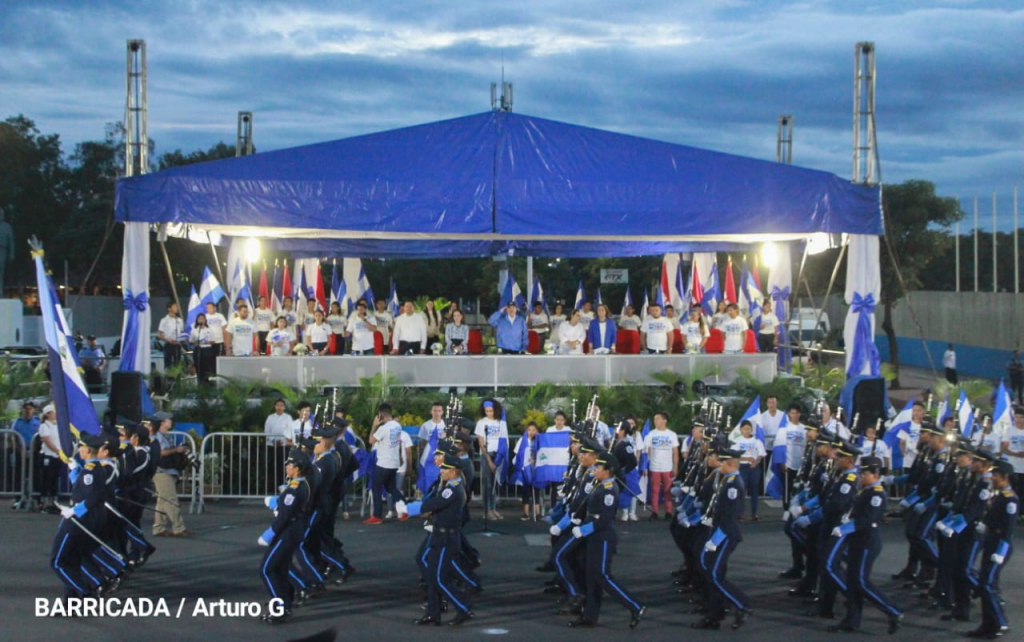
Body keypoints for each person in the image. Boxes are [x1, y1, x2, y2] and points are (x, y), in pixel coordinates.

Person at [567, 451, 646, 629]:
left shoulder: (609, 489)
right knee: (591, 577)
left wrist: (583, 530)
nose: (594, 469)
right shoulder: (600, 484)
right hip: (594, 536)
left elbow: (603, 519)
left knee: (603, 576)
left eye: (598, 467)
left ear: (608, 470)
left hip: (602, 537)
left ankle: (635, 606)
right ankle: (590, 616)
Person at [828, 456, 902, 634]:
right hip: (858, 540)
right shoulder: (866, 490)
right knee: (853, 582)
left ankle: (893, 610)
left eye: (865, 473)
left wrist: (845, 528)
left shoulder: (877, 493)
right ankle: (851, 620)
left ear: (875, 474)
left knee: (861, 582)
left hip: (867, 541)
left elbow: (868, 520)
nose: (862, 476)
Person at [408, 453, 476, 626]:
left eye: (445, 468)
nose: (442, 470)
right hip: (440, 534)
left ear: (453, 471)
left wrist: (410, 508)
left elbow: (435, 503)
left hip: (446, 537)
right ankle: (433, 612)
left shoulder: (453, 488)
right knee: (431, 575)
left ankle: (464, 607)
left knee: (439, 578)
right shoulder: (451, 485)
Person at [692, 447, 753, 631]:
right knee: (710, 572)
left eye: (723, 462)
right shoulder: (727, 480)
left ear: (731, 464)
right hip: (718, 530)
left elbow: (730, 517)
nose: (720, 465)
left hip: (725, 535)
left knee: (715, 576)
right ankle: (715, 613)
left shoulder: (733, 484)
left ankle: (742, 604)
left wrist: (715, 540)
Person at [50, 432, 110, 599]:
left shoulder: (91, 470)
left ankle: (86, 593)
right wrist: (74, 469)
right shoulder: (90, 468)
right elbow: (82, 487)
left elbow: (92, 497)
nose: (79, 449)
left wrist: (73, 511)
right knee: (72, 560)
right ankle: (71, 603)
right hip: (87, 518)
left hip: (80, 521)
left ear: (88, 450)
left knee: (58, 562)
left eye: (81, 446)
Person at [257, 447, 312, 623]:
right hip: (294, 529)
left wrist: (269, 534)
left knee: (267, 568)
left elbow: (284, 515)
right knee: (280, 567)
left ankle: (280, 608)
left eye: (290, 463)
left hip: (288, 531)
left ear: (297, 467)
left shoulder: (294, 488)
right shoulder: (299, 485)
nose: (287, 466)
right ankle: (284, 602)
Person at [970, 459, 1017, 638]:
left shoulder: (1010, 499)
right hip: (991, 540)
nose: (992, 478)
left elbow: (1009, 530)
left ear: (1004, 478)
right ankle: (987, 624)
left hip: (1000, 545)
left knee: (987, 585)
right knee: (985, 584)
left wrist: (1001, 551)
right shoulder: (1000, 495)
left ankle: (1000, 622)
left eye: (995, 476)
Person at [363, 403, 409, 524]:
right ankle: (404, 509)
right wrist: (399, 456)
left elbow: (371, 440)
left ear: (381, 414)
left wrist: (374, 426)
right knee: (391, 487)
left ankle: (377, 516)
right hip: (393, 462)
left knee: (376, 487)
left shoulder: (383, 428)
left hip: (384, 462)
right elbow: (398, 442)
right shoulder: (397, 426)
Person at [151, 412, 192, 537]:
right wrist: (177, 450)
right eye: (169, 419)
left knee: (163, 500)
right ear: (162, 422)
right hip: (161, 471)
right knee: (171, 499)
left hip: (166, 470)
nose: (171, 421)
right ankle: (178, 527)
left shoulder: (164, 436)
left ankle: (159, 527)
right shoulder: (157, 436)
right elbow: (162, 452)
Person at [475, 399, 508, 521]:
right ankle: (487, 510)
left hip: (497, 454)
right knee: (487, 483)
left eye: (491, 411)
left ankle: (493, 508)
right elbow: (481, 442)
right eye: (487, 411)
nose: (489, 413)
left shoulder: (500, 422)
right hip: (487, 454)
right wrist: (489, 460)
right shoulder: (481, 423)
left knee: (494, 484)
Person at [643, 411, 679, 520]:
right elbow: (647, 451)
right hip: (655, 467)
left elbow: (675, 452)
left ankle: (668, 512)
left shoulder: (671, 435)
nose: (656, 421)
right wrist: (646, 465)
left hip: (667, 467)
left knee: (667, 490)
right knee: (655, 490)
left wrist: (675, 466)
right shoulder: (651, 434)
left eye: (658, 419)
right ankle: (655, 512)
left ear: (664, 420)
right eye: (655, 419)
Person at [731, 420, 766, 521]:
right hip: (742, 467)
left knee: (754, 491)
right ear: (741, 430)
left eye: (749, 429)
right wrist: (746, 459)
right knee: (742, 490)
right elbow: (734, 456)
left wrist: (756, 461)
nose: (747, 431)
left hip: (754, 467)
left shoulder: (756, 441)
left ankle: (754, 513)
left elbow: (761, 454)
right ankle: (740, 514)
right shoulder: (737, 441)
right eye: (745, 429)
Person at [36, 404, 63, 514]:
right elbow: (47, 440)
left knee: (54, 480)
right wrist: (57, 450)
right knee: (47, 479)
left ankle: (54, 502)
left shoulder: (57, 425)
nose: (55, 414)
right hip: (48, 455)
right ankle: (44, 503)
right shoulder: (44, 426)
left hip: (57, 456)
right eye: (52, 412)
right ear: (47, 414)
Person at [386, 427, 413, 519]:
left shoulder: (405, 435)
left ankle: (401, 510)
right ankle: (390, 510)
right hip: (389, 465)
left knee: (399, 489)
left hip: (401, 467)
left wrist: (409, 466)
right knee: (389, 489)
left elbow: (408, 451)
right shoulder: (386, 434)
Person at [517, 422, 540, 520]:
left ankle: (537, 512)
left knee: (536, 491)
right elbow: (518, 454)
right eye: (529, 430)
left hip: (536, 469)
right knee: (525, 491)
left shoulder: (539, 441)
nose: (531, 432)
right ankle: (526, 513)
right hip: (525, 469)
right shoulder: (522, 440)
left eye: (534, 430)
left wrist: (535, 459)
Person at [1001, 407, 1024, 501]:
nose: (1018, 420)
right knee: (1009, 489)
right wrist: (1016, 454)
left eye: (1020, 417)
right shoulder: (1009, 431)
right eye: (1016, 417)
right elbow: (1004, 448)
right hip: (1012, 467)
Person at [189, 314, 217, 381]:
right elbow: (190, 341)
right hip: (198, 349)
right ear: (197, 320)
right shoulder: (195, 330)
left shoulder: (209, 329)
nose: (201, 320)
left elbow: (213, 341)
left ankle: (206, 382)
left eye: (202, 318)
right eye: (199, 319)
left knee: (206, 368)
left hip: (207, 350)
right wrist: (196, 342)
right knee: (198, 367)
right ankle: (199, 381)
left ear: (205, 320)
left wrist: (208, 342)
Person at [157, 301, 184, 368]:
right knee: (168, 364)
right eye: (174, 307)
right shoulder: (164, 320)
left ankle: (177, 377)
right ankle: (168, 377)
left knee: (177, 364)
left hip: (177, 345)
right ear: (169, 309)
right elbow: (159, 335)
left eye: (177, 307)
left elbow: (182, 332)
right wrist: (167, 340)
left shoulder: (179, 320)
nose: (176, 308)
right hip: (168, 344)